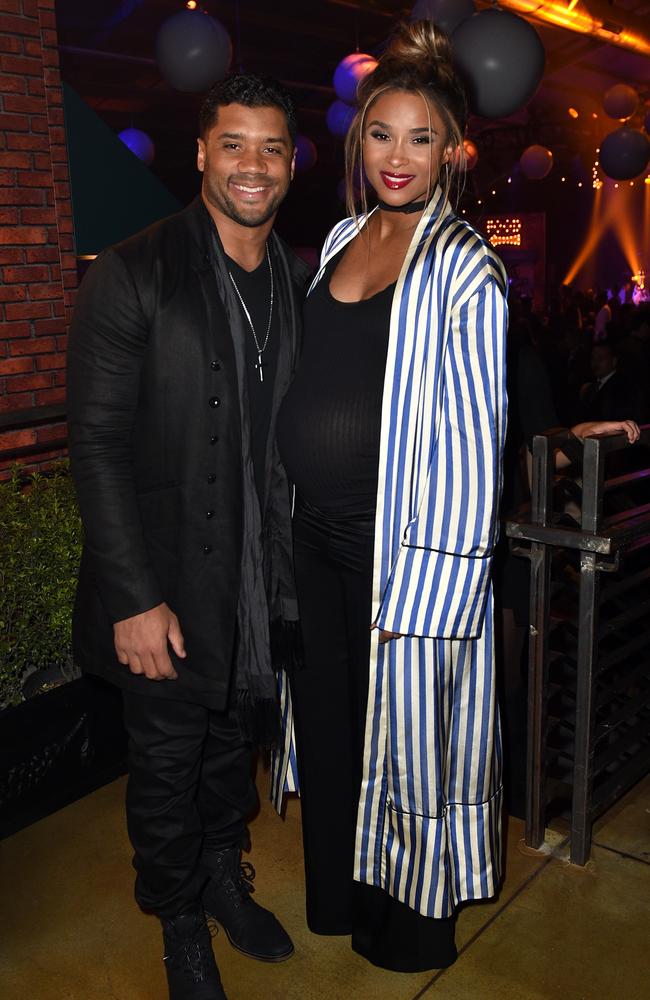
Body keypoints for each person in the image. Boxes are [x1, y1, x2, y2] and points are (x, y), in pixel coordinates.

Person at [67, 75, 310, 1000]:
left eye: (273, 148)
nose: (254, 165)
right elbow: (92, 446)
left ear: (291, 164)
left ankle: (221, 879)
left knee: (226, 752)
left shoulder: (293, 280)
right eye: (235, 145)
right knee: (166, 767)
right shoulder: (133, 272)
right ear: (200, 153)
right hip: (164, 586)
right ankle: (177, 919)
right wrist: (132, 597)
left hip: (255, 581)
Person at [275, 21, 507, 972]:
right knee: (330, 727)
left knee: (408, 748)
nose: (397, 157)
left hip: (401, 556)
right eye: (381, 134)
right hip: (312, 538)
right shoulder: (340, 234)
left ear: (452, 149)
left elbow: (475, 450)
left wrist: (425, 599)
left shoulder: (464, 265)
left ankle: (408, 927)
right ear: (356, 139)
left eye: (420, 137)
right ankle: (337, 898)